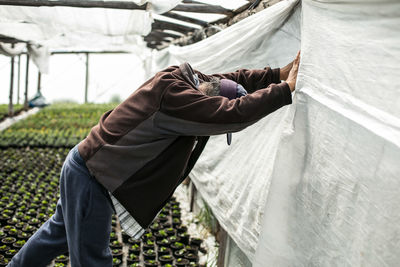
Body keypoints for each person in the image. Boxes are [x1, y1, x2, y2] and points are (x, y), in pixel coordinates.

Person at [8, 51, 301, 267]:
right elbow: (233, 114)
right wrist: (284, 91)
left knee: (56, 232)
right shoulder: (179, 99)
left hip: (84, 165)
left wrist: (277, 74)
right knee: (92, 260)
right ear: (204, 99)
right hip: (91, 176)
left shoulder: (189, 79)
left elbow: (232, 80)